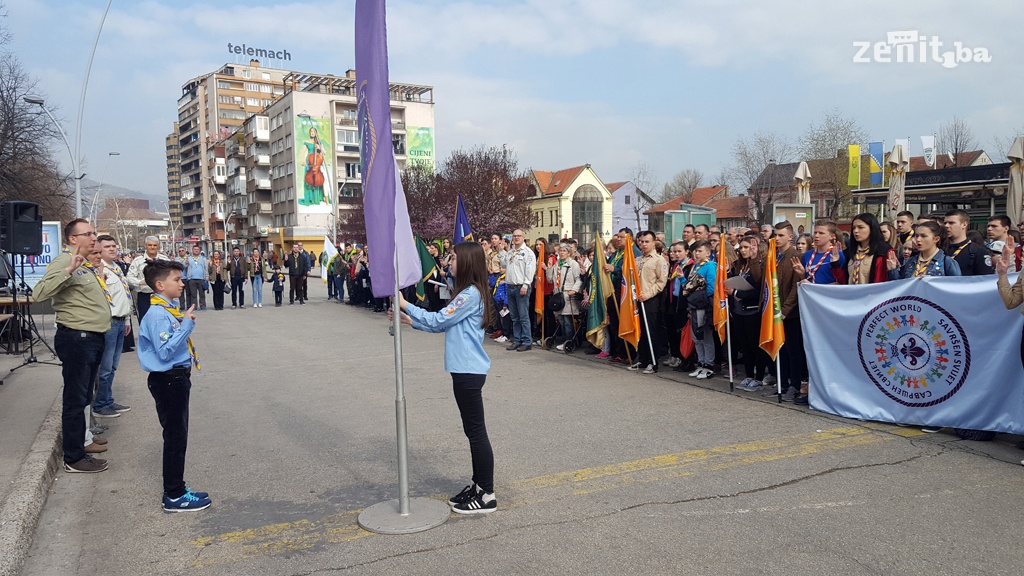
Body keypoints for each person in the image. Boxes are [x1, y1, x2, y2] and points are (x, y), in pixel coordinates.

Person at [391, 242, 496, 514]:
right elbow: (443, 325)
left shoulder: (469, 295)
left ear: (467, 262)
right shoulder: (469, 292)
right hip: (465, 370)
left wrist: (406, 305)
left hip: (468, 371)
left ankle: (486, 493)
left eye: (453, 258)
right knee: (473, 431)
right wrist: (411, 321)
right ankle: (478, 485)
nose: (449, 262)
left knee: (476, 433)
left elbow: (439, 320)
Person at [34, 219, 111, 473]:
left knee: (84, 397)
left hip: (92, 338)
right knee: (75, 400)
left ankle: (81, 444)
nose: (93, 238)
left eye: (94, 233)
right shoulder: (64, 261)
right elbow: (40, 293)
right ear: (72, 239)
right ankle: (74, 458)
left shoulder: (87, 265)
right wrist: (67, 270)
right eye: (87, 234)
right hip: (78, 340)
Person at [137, 259, 211, 512]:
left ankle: (178, 487)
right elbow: (166, 350)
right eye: (176, 280)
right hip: (169, 379)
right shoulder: (158, 314)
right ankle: (174, 494)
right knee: (175, 436)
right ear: (160, 284)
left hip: (175, 377)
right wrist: (187, 325)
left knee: (178, 434)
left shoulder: (166, 309)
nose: (181, 284)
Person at [92, 235, 134, 419]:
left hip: (120, 321)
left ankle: (108, 400)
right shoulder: (97, 269)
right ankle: (101, 404)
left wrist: (126, 321)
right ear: (99, 249)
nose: (112, 249)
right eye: (107, 246)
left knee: (113, 365)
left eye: (114, 246)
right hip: (108, 322)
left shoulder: (116, 268)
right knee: (105, 366)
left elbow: (123, 295)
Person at [731, 237, 767, 391]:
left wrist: (737, 291)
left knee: (754, 345)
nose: (743, 250)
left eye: (746, 247)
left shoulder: (759, 265)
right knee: (744, 345)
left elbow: (759, 290)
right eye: (741, 248)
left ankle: (758, 377)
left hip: (752, 310)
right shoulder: (740, 265)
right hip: (739, 310)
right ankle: (748, 375)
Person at [631, 230, 668, 374]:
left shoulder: (659, 260)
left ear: (654, 243)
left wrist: (647, 295)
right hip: (637, 300)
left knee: (651, 331)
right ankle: (643, 359)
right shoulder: (637, 260)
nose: (644, 244)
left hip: (651, 300)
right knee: (640, 331)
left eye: (647, 242)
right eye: (641, 241)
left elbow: (661, 282)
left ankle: (653, 362)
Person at [683, 240, 715, 379]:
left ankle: (709, 365)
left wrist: (699, 298)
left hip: (703, 305)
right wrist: (681, 279)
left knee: (705, 336)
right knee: (696, 337)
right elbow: (688, 286)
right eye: (695, 251)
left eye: (700, 251)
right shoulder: (694, 266)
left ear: (708, 253)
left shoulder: (710, 266)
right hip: (693, 305)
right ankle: (700, 363)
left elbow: (711, 287)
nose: (696, 253)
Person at [888, 221, 961, 280]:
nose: (918, 239)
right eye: (917, 236)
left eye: (923, 236)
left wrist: (935, 282)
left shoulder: (947, 262)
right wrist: (893, 269)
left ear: (936, 239)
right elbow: (900, 288)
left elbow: (956, 287)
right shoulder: (911, 261)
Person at [504, 229, 536, 351]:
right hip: (510, 286)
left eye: (519, 236)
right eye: (514, 236)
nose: (516, 238)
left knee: (523, 316)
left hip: (521, 287)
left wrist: (526, 284)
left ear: (523, 238)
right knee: (514, 316)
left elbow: (530, 270)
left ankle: (527, 341)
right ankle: (517, 340)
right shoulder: (511, 252)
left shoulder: (528, 253)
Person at [127, 236, 170, 321]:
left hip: (161, 295)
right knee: (144, 322)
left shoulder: (165, 260)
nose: (152, 247)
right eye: (150, 245)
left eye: (154, 245)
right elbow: (129, 277)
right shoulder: (138, 261)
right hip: (144, 296)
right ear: (145, 246)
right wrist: (140, 282)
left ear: (158, 246)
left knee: (162, 321)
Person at [548, 243, 582, 350]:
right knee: (561, 320)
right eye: (560, 250)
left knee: (568, 321)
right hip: (558, 295)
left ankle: (570, 341)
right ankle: (565, 340)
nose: (561, 253)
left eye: (564, 251)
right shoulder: (556, 265)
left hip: (568, 295)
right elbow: (550, 280)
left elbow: (578, 279)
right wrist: (548, 269)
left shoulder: (573, 264)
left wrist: (574, 290)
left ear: (569, 253)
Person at [845, 213, 894, 285]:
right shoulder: (850, 251)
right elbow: (843, 279)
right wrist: (836, 264)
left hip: (874, 294)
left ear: (872, 228)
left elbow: (889, 280)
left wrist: (893, 270)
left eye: (860, 227)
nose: (856, 231)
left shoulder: (884, 251)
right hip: (852, 294)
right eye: (854, 228)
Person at [794, 220, 847, 285]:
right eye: (815, 232)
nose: (816, 236)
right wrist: (802, 274)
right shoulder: (807, 255)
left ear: (831, 236)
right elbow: (806, 279)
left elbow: (842, 282)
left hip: (827, 294)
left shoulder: (837, 255)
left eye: (821, 233)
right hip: (810, 294)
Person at [943, 209, 994, 276]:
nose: (946, 226)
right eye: (945, 223)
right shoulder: (939, 249)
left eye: (951, 223)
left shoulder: (977, 251)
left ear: (964, 225)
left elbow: (984, 280)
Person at [184, 244, 208, 311]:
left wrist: (207, 276)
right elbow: (185, 267)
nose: (196, 251)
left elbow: (206, 268)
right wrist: (186, 263)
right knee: (193, 294)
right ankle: (194, 306)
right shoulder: (189, 258)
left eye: (197, 249)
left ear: (200, 250)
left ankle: (203, 306)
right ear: (192, 250)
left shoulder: (203, 258)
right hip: (191, 279)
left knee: (202, 294)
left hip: (201, 279)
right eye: (195, 249)